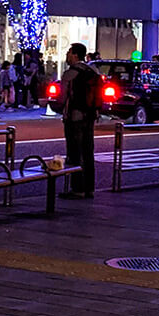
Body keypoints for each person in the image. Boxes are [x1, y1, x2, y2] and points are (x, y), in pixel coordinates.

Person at [61, 43, 100, 200]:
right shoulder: (93, 70)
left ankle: (77, 189)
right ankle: (89, 188)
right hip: (90, 116)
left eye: (69, 52)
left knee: (75, 152)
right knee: (88, 151)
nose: (67, 55)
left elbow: (62, 98)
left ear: (76, 55)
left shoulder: (71, 73)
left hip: (74, 117)